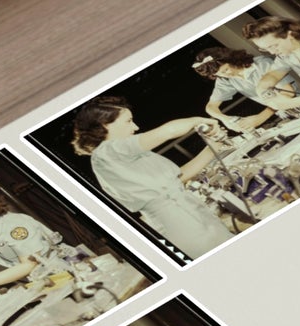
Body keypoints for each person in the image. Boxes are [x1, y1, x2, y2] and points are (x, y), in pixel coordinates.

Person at [70, 96, 228, 259]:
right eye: (128, 121)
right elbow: (169, 131)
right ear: (105, 124)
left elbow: (178, 178)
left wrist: (212, 148)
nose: (135, 127)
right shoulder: (106, 152)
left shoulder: (124, 154)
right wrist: (199, 120)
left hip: (192, 213)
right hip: (179, 226)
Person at [191, 46, 278, 131]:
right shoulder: (225, 79)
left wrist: (261, 117)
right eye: (218, 74)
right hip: (283, 113)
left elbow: (289, 93)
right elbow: (210, 107)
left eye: (225, 70)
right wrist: (225, 119)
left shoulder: (262, 64)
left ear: (231, 59)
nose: (225, 75)